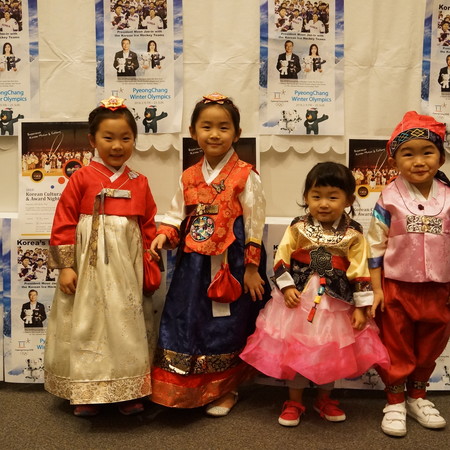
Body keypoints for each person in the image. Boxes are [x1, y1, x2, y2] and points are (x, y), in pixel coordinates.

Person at [240, 162, 390, 427]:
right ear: (306, 197)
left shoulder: (354, 233)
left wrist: (360, 307)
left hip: (335, 304)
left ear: (348, 200)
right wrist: (287, 287)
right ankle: (294, 401)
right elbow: (281, 258)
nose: (323, 204)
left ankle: (324, 399)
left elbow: (360, 271)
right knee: (296, 350)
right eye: (316, 196)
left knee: (329, 353)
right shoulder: (297, 227)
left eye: (333, 197)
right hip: (298, 300)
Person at [149, 92, 271, 415]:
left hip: (231, 262)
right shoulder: (189, 175)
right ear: (193, 132)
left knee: (226, 323)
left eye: (223, 127)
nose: (215, 134)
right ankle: (187, 388)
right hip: (192, 264)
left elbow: (255, 222)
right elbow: (177, 214)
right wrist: (164, 234)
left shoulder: (246, 174)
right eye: (206, 127)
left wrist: (251, 268)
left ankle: (226, 389)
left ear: (237, 134)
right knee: (187, 319)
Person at [44, 96, 158, 417]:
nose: (117, 146)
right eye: (108, 138)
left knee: (126, 322)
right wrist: (66, 267)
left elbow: (148, 225)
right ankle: (86, 391)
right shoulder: (81, 178)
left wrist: (150, 261)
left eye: (126, 138)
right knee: (87, 324)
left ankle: (128, 389)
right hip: (87, 266)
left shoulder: (139, 182)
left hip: (126, 267)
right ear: (93, 140)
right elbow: (64, 221)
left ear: (134, 139)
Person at [367, 111, 450, 437]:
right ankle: (394, 401)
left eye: (427, 152)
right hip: (397, 288)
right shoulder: (389, 198)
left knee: (430, 345)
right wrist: (377, 290)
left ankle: (417, 396)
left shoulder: (448, 197)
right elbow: (375, 245)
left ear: (441, 157)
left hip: (439, 289)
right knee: (396, 345)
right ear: (394, 161)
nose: (418, 161)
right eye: (408, 154)